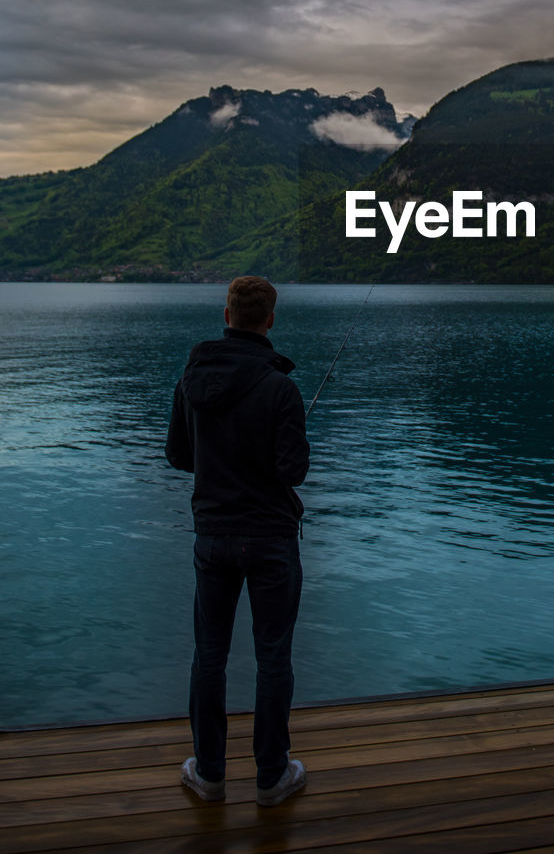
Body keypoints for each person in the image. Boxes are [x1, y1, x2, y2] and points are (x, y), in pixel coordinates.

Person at [166, 275, 309, 807]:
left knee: (209, 656)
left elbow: (179, 456)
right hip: (271, 539)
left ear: (226, 316)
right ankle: (272, 778)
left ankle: (209, 774)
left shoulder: (191, 380)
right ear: (269, 320)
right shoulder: (281, 387)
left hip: (213, 538)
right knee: (273, 658)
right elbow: (292, 471)